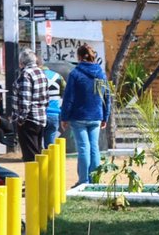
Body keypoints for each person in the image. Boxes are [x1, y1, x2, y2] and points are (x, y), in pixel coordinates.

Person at [60, 44, 111, 186]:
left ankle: (83, 180)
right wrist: (105, 116)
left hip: (79, 117)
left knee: (83, 148)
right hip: (96, 116)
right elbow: (107, 96)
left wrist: (64, 117)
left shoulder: (75, 74)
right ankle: (95, 180)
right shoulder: (101, 74)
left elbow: (69, 97)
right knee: (94, 147)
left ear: (79, 57)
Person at [12, 48, 49, 162]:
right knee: (37, 152)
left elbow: (25, 99)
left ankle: (33, 179)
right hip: (41, 117)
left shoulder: (26, 74)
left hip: (29, 119)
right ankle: (39, 178)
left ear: (22, 62)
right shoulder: (41, 72)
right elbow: (46, 97)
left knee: (30, 155)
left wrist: (20, 119)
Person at [40, 55, 65, 148]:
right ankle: (50, 161)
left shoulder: (37, 76)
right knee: (50, 144)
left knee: (37, 143)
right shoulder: (58, 76)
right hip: (54, 114)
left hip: (39, 114)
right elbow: (64, 91)